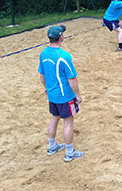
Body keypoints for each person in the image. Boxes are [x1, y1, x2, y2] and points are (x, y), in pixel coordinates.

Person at [38, 25, 84, 162]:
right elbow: (72, 79)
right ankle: (69, 153)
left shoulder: (43, 53)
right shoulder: (64, 56)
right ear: (61, 37)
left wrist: (46, 88)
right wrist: (77, 95)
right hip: (65, 96)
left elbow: (41, 74)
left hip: (52, 95)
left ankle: (52, 146)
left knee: (54, 117)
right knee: (68, 122)